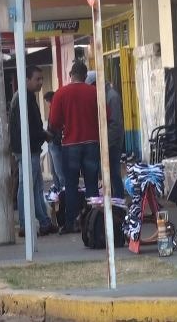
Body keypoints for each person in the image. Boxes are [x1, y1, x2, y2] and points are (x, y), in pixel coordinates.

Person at [49, 62, 100, 234]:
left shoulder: (61, 93)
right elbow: (105, 115)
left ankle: (71, 222)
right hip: (92, 142)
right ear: (85, 76)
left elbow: (54, 122)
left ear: (71, 74)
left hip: (70, 144)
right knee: (92, 183)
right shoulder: (94, 92)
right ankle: (92, 221)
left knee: (71, 185)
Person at [9, 66, 58, 237]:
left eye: (41, 79)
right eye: (37, 79)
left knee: (36, 187)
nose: (40, 83)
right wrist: (44, 134)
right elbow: (29, 127)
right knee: (27, 187)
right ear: (27, 79)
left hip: (29, 148)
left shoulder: (25, 97)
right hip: (27, 149)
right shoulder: (24, 99)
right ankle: (25, 224)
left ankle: (44, 221)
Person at [85, 71, 125, 199]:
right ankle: (114, 199)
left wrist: (105, 143)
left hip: (112, 143)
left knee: (113, 173)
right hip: (107, 141)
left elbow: (115, 124)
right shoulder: (104, 95)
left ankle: (118, 199)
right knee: (109, 174)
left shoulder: (111, 97)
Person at [43, 91, 65, 202]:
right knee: (54, 170)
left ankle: (63, 191)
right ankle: (58, 190)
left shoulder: (56, 109)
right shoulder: (53, 109)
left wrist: (54, 139)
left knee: (59, 170)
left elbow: (56, 126)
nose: (48, 105)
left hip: (55, 142)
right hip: (52, 142)